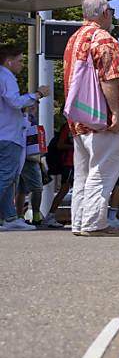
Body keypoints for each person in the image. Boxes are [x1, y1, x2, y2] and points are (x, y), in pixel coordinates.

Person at [64, 0, 119, 236]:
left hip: (80, 118)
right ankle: (94, 224)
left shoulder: (74, 40)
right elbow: (110, 77)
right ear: (104, 12)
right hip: (102, 119)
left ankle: (79, 222)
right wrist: (115, 113)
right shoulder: (103, 38)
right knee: (102, 172)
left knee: (82, 175)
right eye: (111, 11)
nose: (111, 15)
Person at [0, 46, 50, 231]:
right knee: (6, 177)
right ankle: (11, 218)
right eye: (20, 60)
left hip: (4, 134)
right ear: (9, 61)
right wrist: (38, 94)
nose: (22, 64)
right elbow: (15, 101)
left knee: (8, 178)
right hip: (9, 136)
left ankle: (11, 218)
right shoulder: (7, 77)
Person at [17, 107, 46, 226]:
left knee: (21, 189)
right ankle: (36, 215)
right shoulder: (29, 119)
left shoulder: (16, 118)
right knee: (37, 188)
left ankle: (18, 216)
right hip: (29, 157)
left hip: (18, 156)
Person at [41, 120, 73, 228]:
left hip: (75, 162)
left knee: (69, 189)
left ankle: (51, 215)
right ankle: (50, 215)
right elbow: (60, 145)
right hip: (69, 163)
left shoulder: (77, 124)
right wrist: (75, 146)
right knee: (64, 189)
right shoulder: (68, 126)